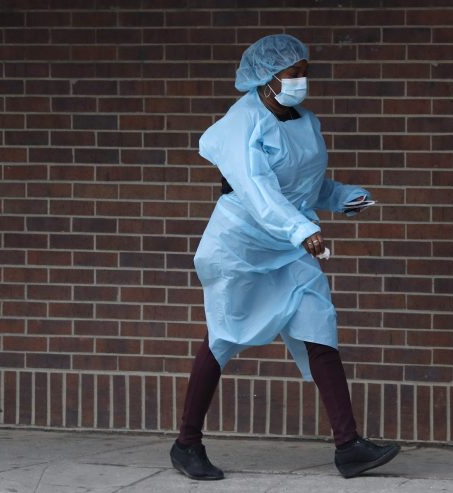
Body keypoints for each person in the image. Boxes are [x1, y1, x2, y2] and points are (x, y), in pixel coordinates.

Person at [169, 33, 400, 481]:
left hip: (290, 244)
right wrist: (303, 229)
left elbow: (306, 186)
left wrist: (340, 197)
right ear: (266, 78)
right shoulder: (242, 123)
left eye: (304, 72)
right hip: (241, 243)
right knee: (224, 335)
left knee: (320, 324)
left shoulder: (305, 122)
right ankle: (186, 444)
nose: (301, 81)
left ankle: (349, 446)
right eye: (293, 74)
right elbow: (257, 189)